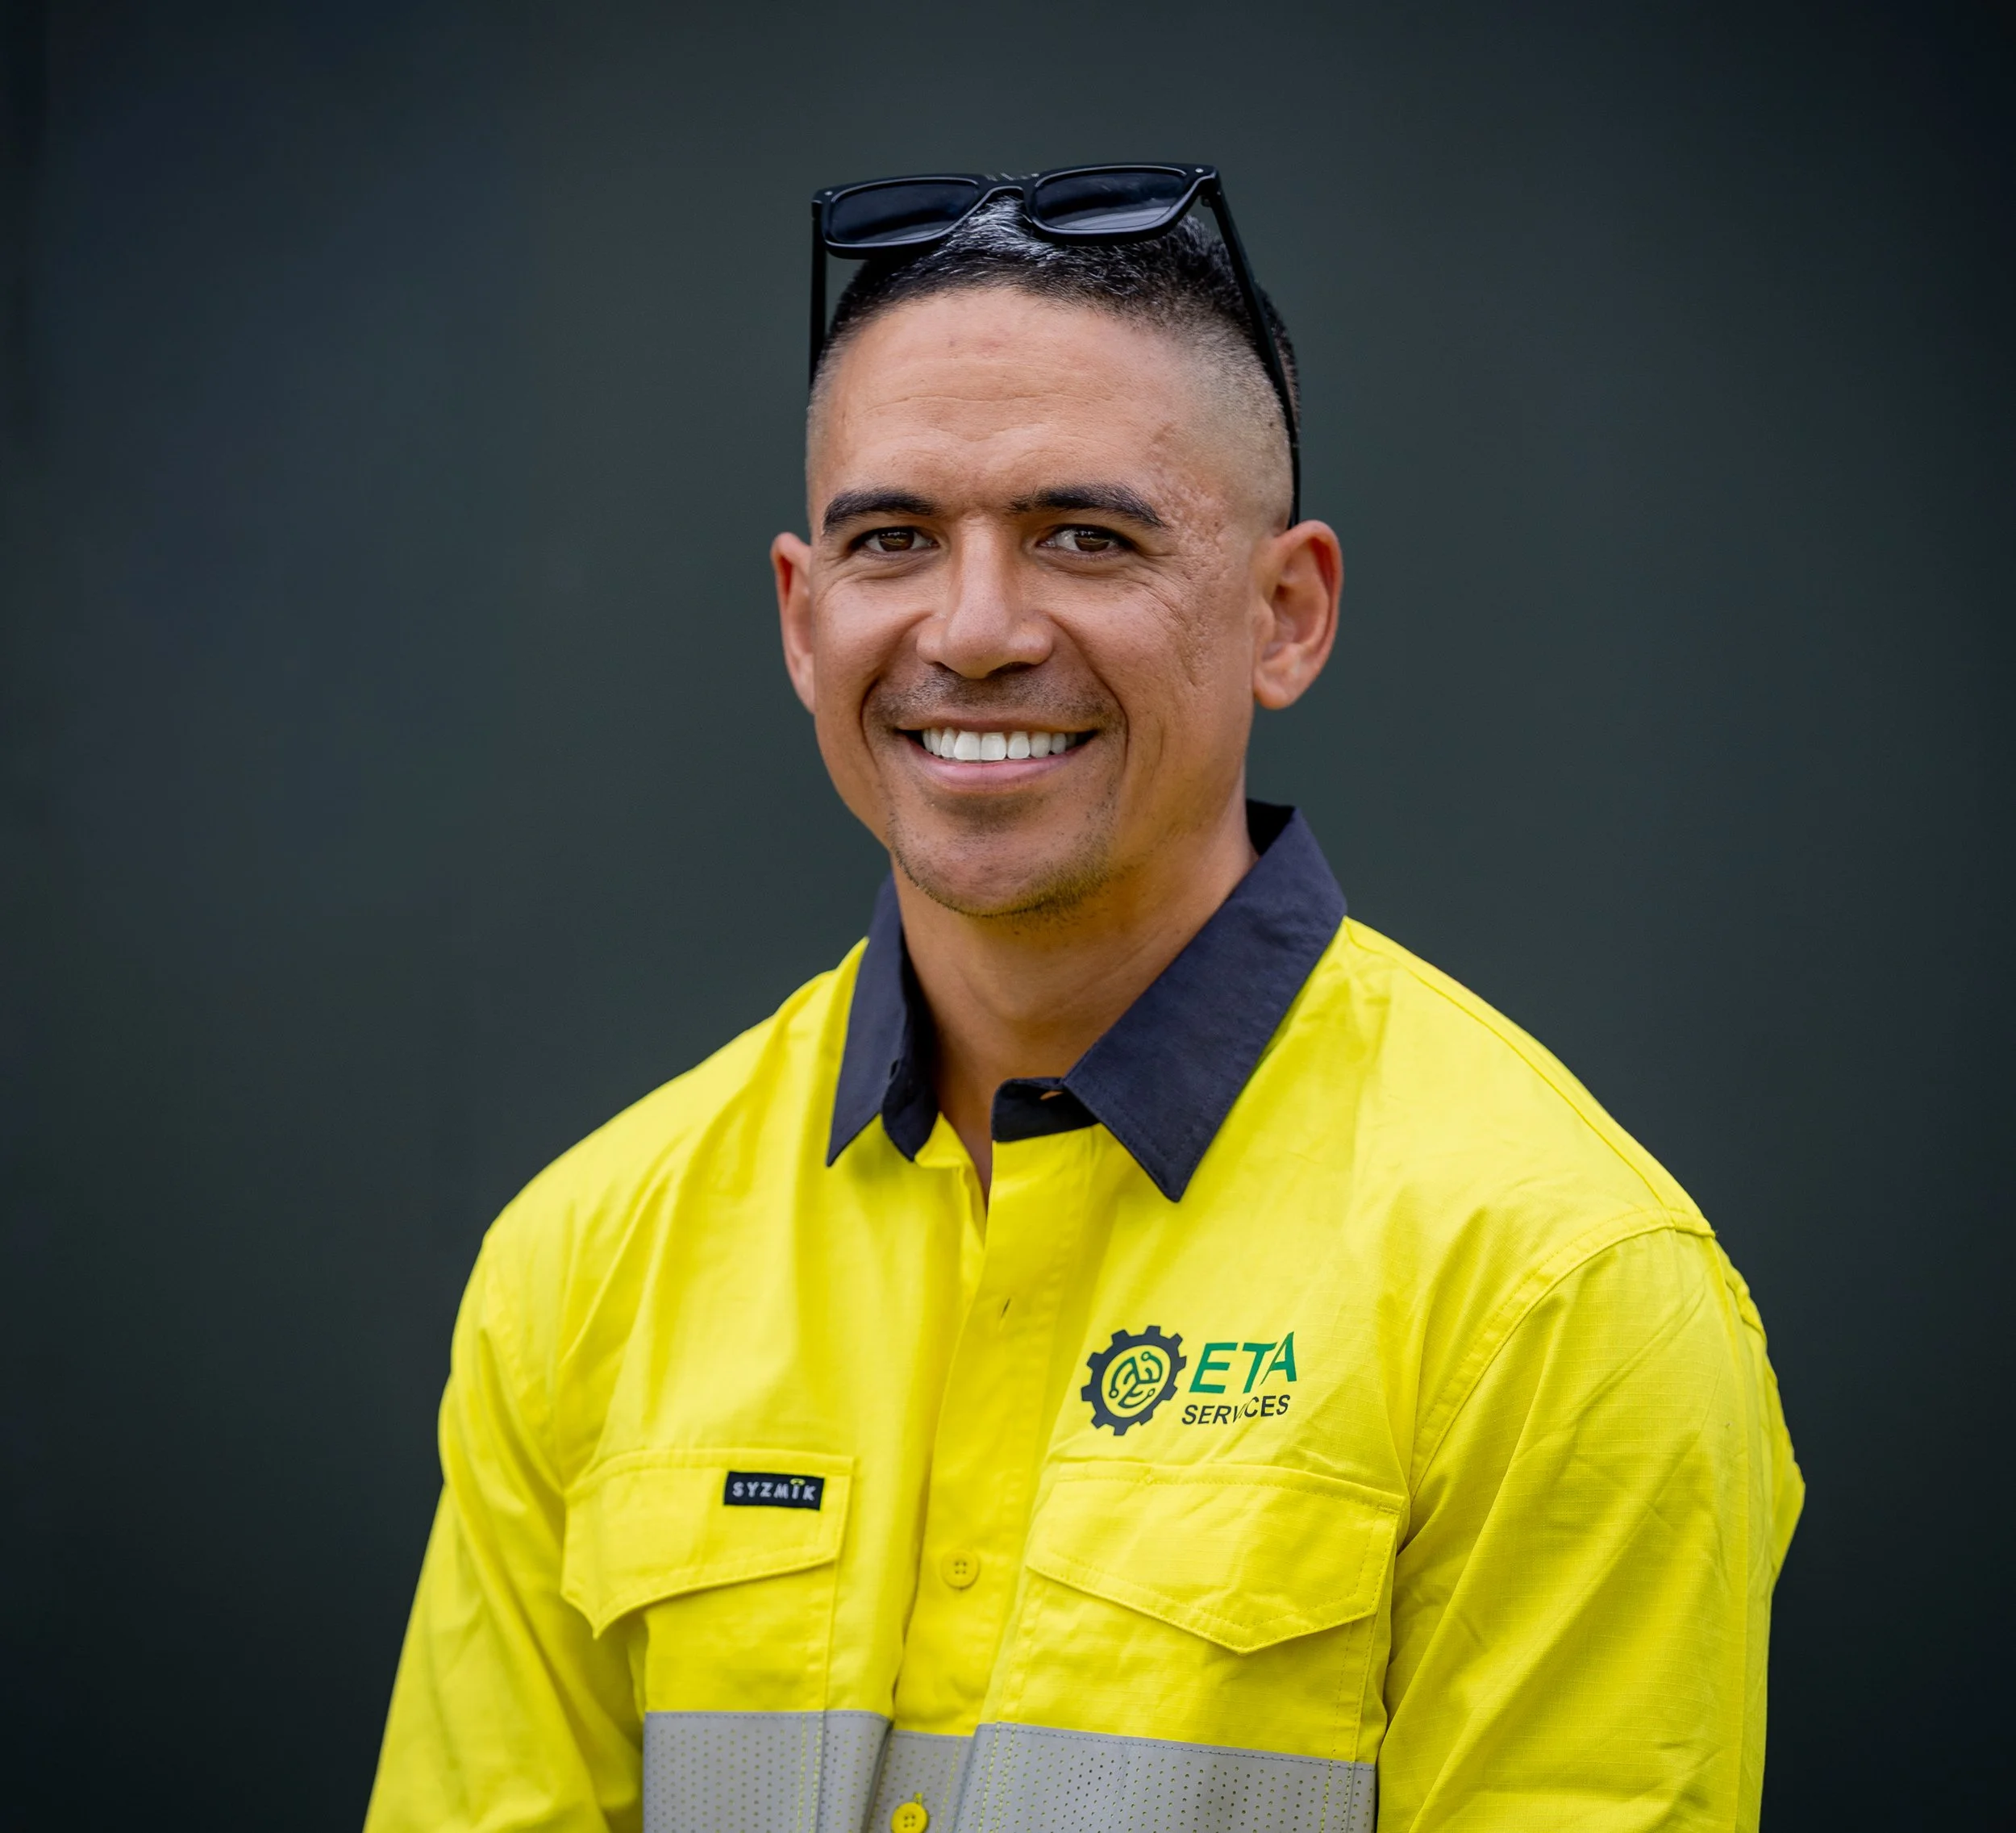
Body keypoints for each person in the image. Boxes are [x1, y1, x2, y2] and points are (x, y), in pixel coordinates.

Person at [365, 165, 1802, 1833]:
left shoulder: (1556, 1287)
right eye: (892, 539)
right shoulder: (584, 1258)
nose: (971, 631)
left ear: (1287, 612)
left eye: (1085, 536)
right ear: (799, 611)